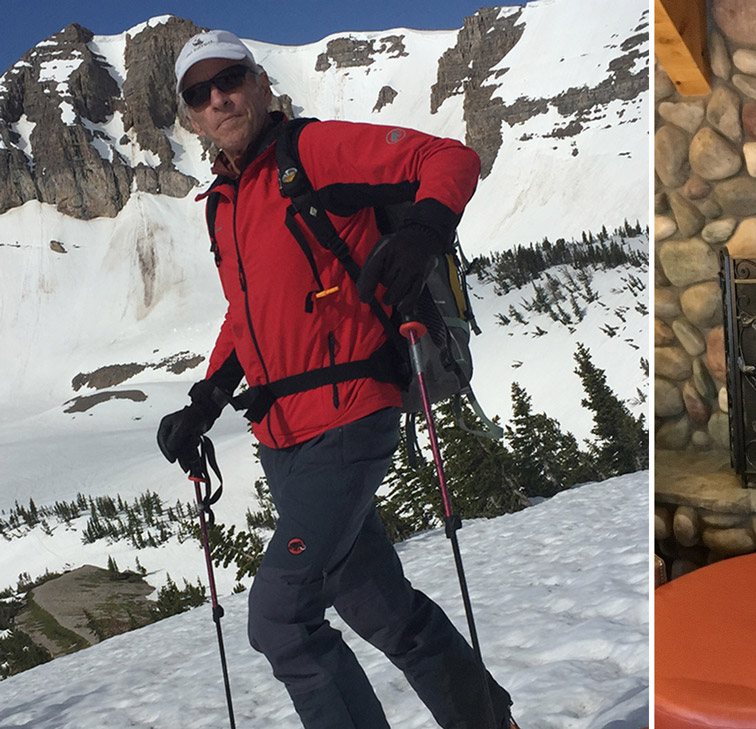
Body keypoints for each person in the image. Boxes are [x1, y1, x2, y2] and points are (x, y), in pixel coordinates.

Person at [155, 29, 517, 729]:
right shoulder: (222, 205)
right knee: (381, 607)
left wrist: (423, 233)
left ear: (260, 84)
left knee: (282, 620)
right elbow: (249, 315)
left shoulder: (310, 155)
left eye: (229, 78)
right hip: (283, 440)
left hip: (349, 415)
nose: (219, 97)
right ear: (191, 115)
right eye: (200, 92)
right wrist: (204, 399)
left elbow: (449, 159)